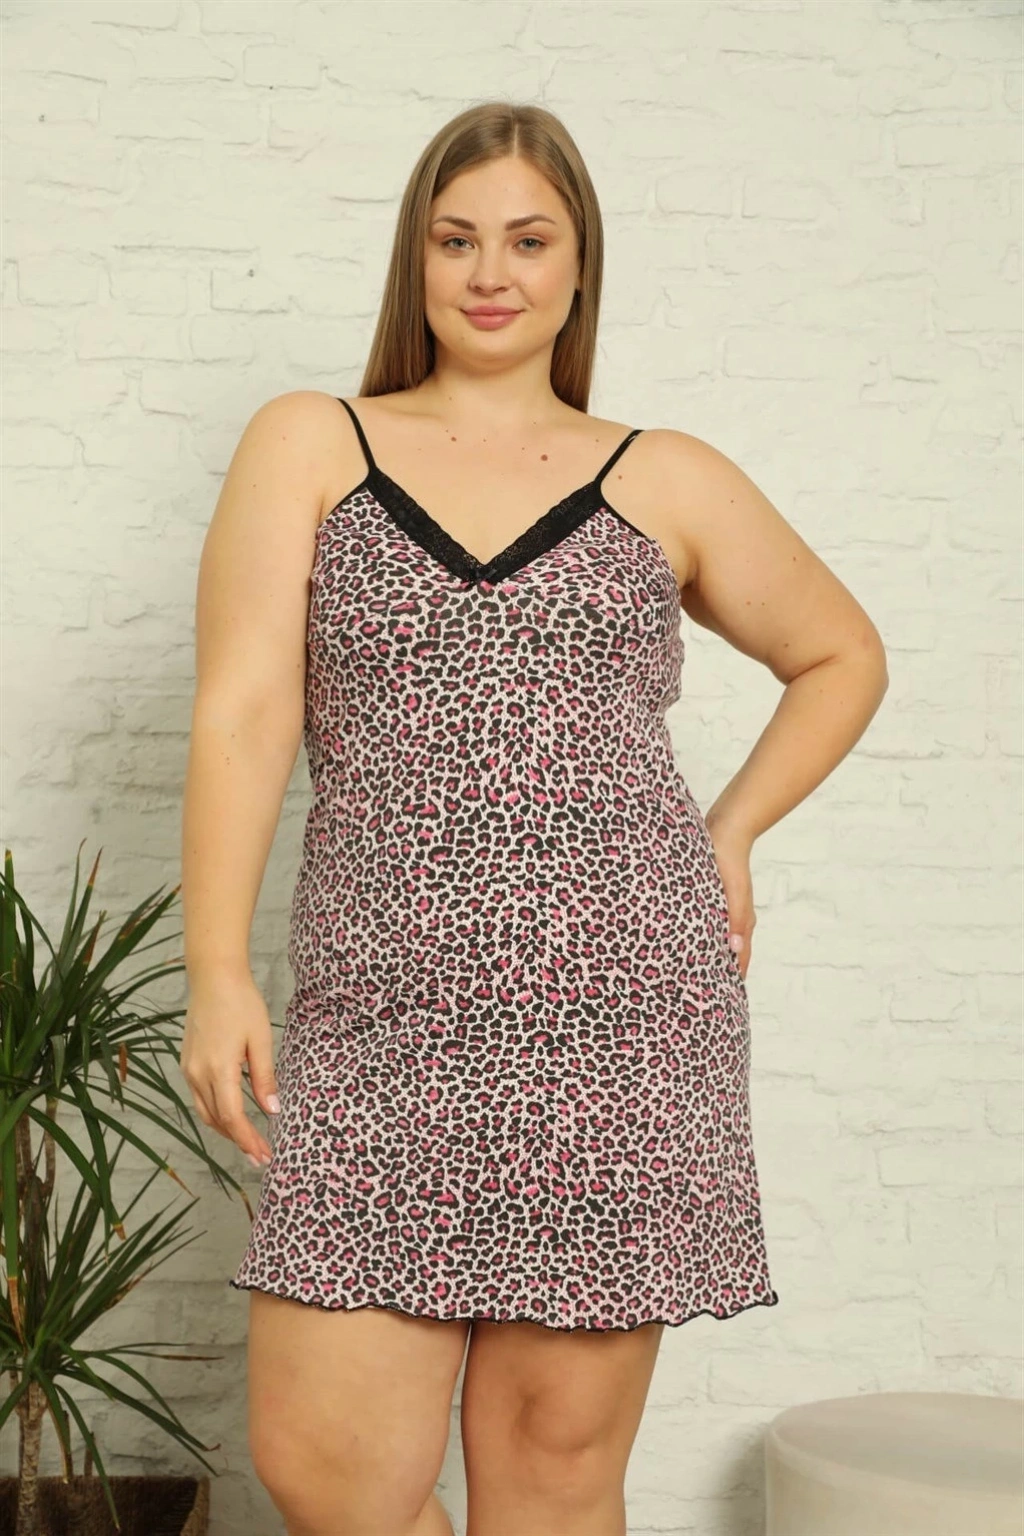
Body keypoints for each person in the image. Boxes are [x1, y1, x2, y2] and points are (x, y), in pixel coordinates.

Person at [180, 100, 888, 1536]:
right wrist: (215, 967)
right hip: (380, 1019)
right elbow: (245, 712)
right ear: (416, 259)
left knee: (553, 1477)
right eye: (456, 240)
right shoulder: (313, 442)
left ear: (579, 264)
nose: (490, 272)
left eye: (527, 240)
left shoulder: (665, 474)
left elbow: (842, 655)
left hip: (626, 1024)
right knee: (326, 1469)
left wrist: (729, 832)